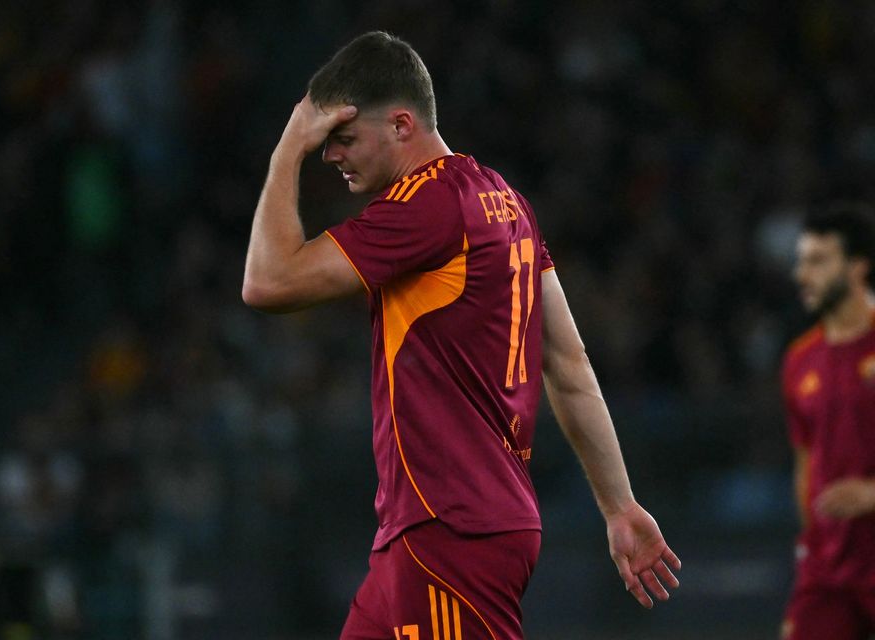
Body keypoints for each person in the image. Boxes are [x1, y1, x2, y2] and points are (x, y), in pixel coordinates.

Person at [243, 31, 679, 638]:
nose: (329, 154)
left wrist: (285, 150)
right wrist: (618, 505)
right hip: (434, 528)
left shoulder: (427, 206)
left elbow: (267, 282)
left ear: (401, 125)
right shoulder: (506, 201)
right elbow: (569, 363)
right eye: (321, 141)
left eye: (341, 137)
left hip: (451, 531)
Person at [781, 204, 875, 640]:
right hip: (829, 571)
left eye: (819, 261)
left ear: (858, 268)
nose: (803, 275)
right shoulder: (800, 360)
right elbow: (806, 463)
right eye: (801, 261)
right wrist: (811, 544)